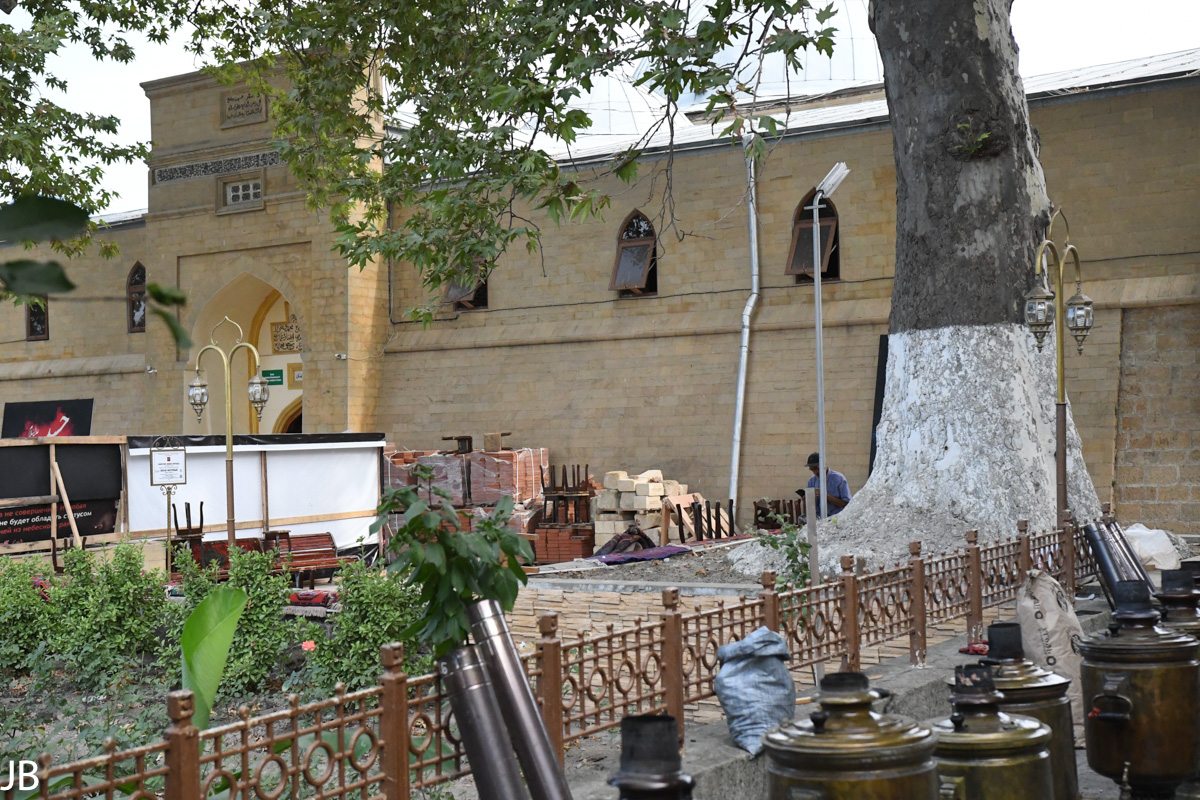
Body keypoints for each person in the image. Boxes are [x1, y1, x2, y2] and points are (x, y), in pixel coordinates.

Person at [803, 452, 851, 519]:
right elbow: (809, 507)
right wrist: (807, 499)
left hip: (837, 518)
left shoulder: (839, 479)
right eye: (812, 469)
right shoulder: (812, 480)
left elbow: (847, 504)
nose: (815, 472)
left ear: (824, 466)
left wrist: (825, 495)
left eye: (816, 468)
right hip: (819, 519)